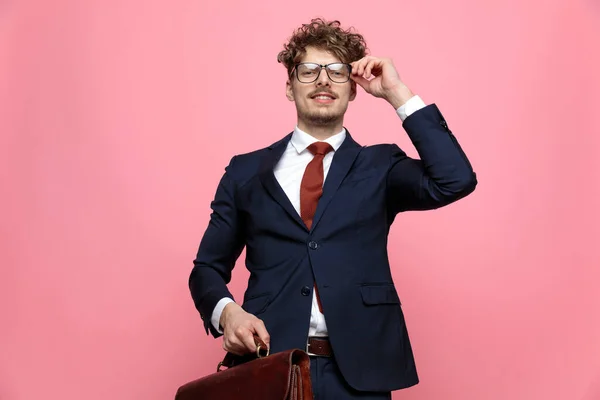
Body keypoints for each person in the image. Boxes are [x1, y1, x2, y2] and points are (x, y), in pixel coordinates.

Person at [188, 18, 477, 399]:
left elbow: (455, 179)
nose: (323, 80)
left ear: (353, 90)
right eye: (309, 71)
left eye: (337, 72)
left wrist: (397, 93)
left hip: (360, 377)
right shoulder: (245, 171)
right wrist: (228, 312)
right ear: (290, 87)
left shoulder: (380, 166)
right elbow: (206, 269)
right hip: (270, 367)